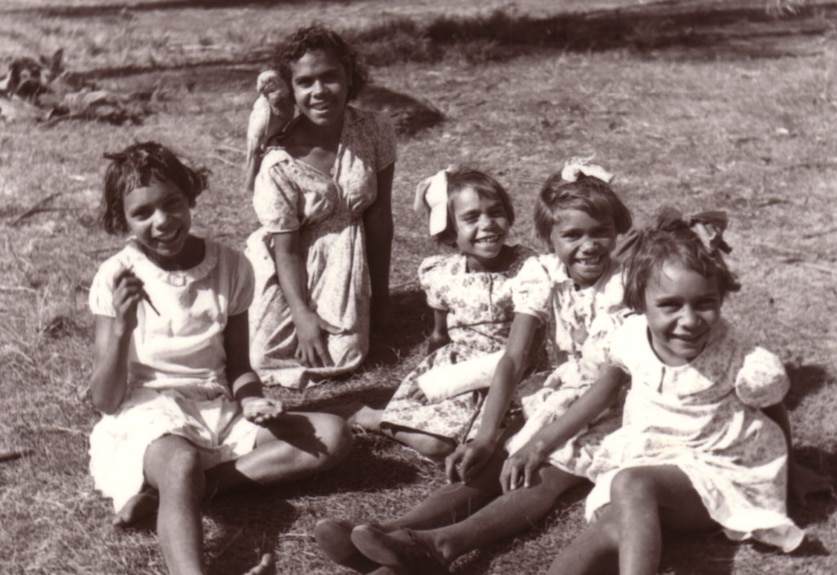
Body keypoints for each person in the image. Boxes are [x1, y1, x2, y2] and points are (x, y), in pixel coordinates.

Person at [313, 157, 634, 574]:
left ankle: (441, 547)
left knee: (546, 469)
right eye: (572, 235)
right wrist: (484, 435)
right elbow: (513, 358)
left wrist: (538, 444)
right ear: (548, 238)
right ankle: (394, 533)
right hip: (560, 393)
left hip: (612, 407)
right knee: (492, 458)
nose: (588, 246)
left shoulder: (625, 286)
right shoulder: (541, 273)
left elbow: (609, 383)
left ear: (616, 230)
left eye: (601, 233)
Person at [87, 141, 352, 575]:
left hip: (216, 408)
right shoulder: (116, 277)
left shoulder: (230, 266)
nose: (163, 221)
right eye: (143, 213)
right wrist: (119, 328)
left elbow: (240, 366)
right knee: (180, 461)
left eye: (172, 203)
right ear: (123, 220)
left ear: (189, 195)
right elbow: (106, 400)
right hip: (148, 415)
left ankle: (195, 489)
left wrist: (251, 399)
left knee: (332, 434)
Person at [536, 209, 808, 575]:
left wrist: (793, 468)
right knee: (611, 519)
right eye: (670, 305)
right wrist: (539, 443)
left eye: (705, 303)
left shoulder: (739, 356)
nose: (690, 320)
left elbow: (771, 408)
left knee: (631, 485)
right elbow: (600, 392)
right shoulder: (629, 339)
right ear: (639, 303)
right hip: (656, 463)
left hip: (720, 473)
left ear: (720, 298)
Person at [245, 25, 396, 389]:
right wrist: (301, 314)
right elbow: (287, 249)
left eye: (330, 78)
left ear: (349, 76)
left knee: (345, 353)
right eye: (305, 82)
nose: (319, 92)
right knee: (264, 356)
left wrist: (380, 298)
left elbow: (379, 217)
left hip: (347, 252)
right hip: (290, 255)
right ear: (291, 89)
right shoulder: (279, 161)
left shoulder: (373, 129)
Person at [350, 167, 537, 459]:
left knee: (509, 444)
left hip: (517, 368)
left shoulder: (530, 267)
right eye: (471, 218)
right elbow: (440, 334)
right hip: (459, 367)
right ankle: (370, 417)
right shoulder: (442, 275)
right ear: (450, 233)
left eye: (496, 212)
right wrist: (434, 381)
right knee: (437, 444)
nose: (488, 224)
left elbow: (533, 342)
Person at [244, 69, 294, 194]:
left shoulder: (289, 104)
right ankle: (253, 184)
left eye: (268, 83)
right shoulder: (264, 106)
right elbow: (256, 138)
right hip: (260, 145)